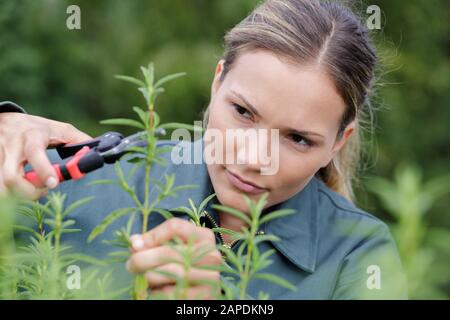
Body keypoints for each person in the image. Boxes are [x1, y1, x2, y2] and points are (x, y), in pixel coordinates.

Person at [0, 0, 407, 299]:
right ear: (217, 83)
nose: (253, 157)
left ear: (339, 142)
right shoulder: (82, 179)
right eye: (243, 112)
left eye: (297, 139)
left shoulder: (359, 254)